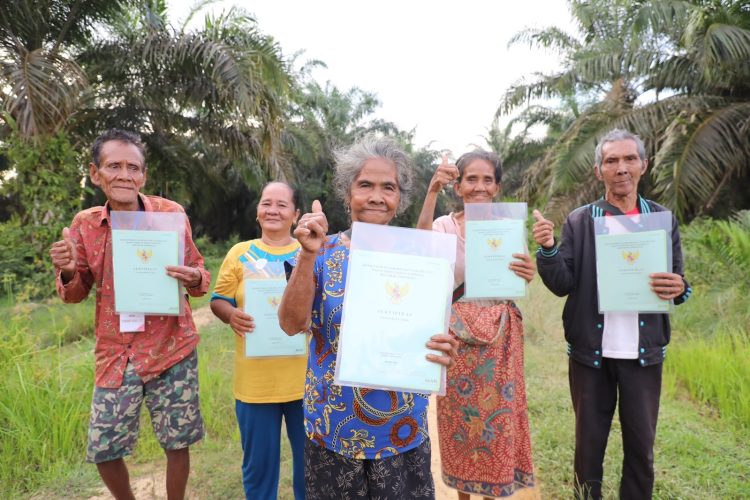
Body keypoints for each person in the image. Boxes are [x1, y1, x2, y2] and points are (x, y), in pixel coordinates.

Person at [277, 136, 458, 499]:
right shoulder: (321, 250)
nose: (377, 195)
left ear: (399, 198)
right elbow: (290, 324)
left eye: (388, 187)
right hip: (333, 425)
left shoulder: (419, 257)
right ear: (348, 193)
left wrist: (444, 348)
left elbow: (434, 329)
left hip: (401, 428)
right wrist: (308, 256)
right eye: (365, 185)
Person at [48, 129, 209, 500]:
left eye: (132, 167)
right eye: (113, 165)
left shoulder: (171, 214)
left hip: (172, 346)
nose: (124, 174)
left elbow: (199, 277)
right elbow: (75, 293)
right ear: (95, 172)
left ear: (143, 176)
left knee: (177, 441)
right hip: (116, 352)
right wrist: (70, 270)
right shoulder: (84, 224)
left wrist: (195, 276)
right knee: (104, 446)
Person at [531, 129, 692, 499]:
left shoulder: (661, 220)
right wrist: (548, 248)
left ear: (644, 165)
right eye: (611, 161)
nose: (621, 168)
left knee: (641, 448)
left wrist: (680, 288)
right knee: (588, 447)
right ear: (597, 170)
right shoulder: (580, 220)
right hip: (592, 354)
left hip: (643, 355)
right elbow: (562, 283)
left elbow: (680, 282)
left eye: (629, 159)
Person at [416, 150, 537, 499]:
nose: (479, 186)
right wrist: (431, 191)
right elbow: (420, 248)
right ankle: (462, 494)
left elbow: (519, 280)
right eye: (471, 179)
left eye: (487, 180)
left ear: (497, 187)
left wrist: (528, 274)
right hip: (456, 339)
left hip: (499, 340)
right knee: (459, 423)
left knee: (495, 424)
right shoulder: (443, 226)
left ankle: (492, 491)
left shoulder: (508, 229)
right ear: (458, 185)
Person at [210, 181, 306, 499]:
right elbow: (219, 299)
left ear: (296, 214)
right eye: (267, 203)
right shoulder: (240, 253)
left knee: (311, 468)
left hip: (305, 382)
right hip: (256, 384)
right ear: (257, 212)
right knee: (258, 470)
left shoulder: (310, 254)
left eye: (281, 204)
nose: (273, 210)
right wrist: (230, 315)